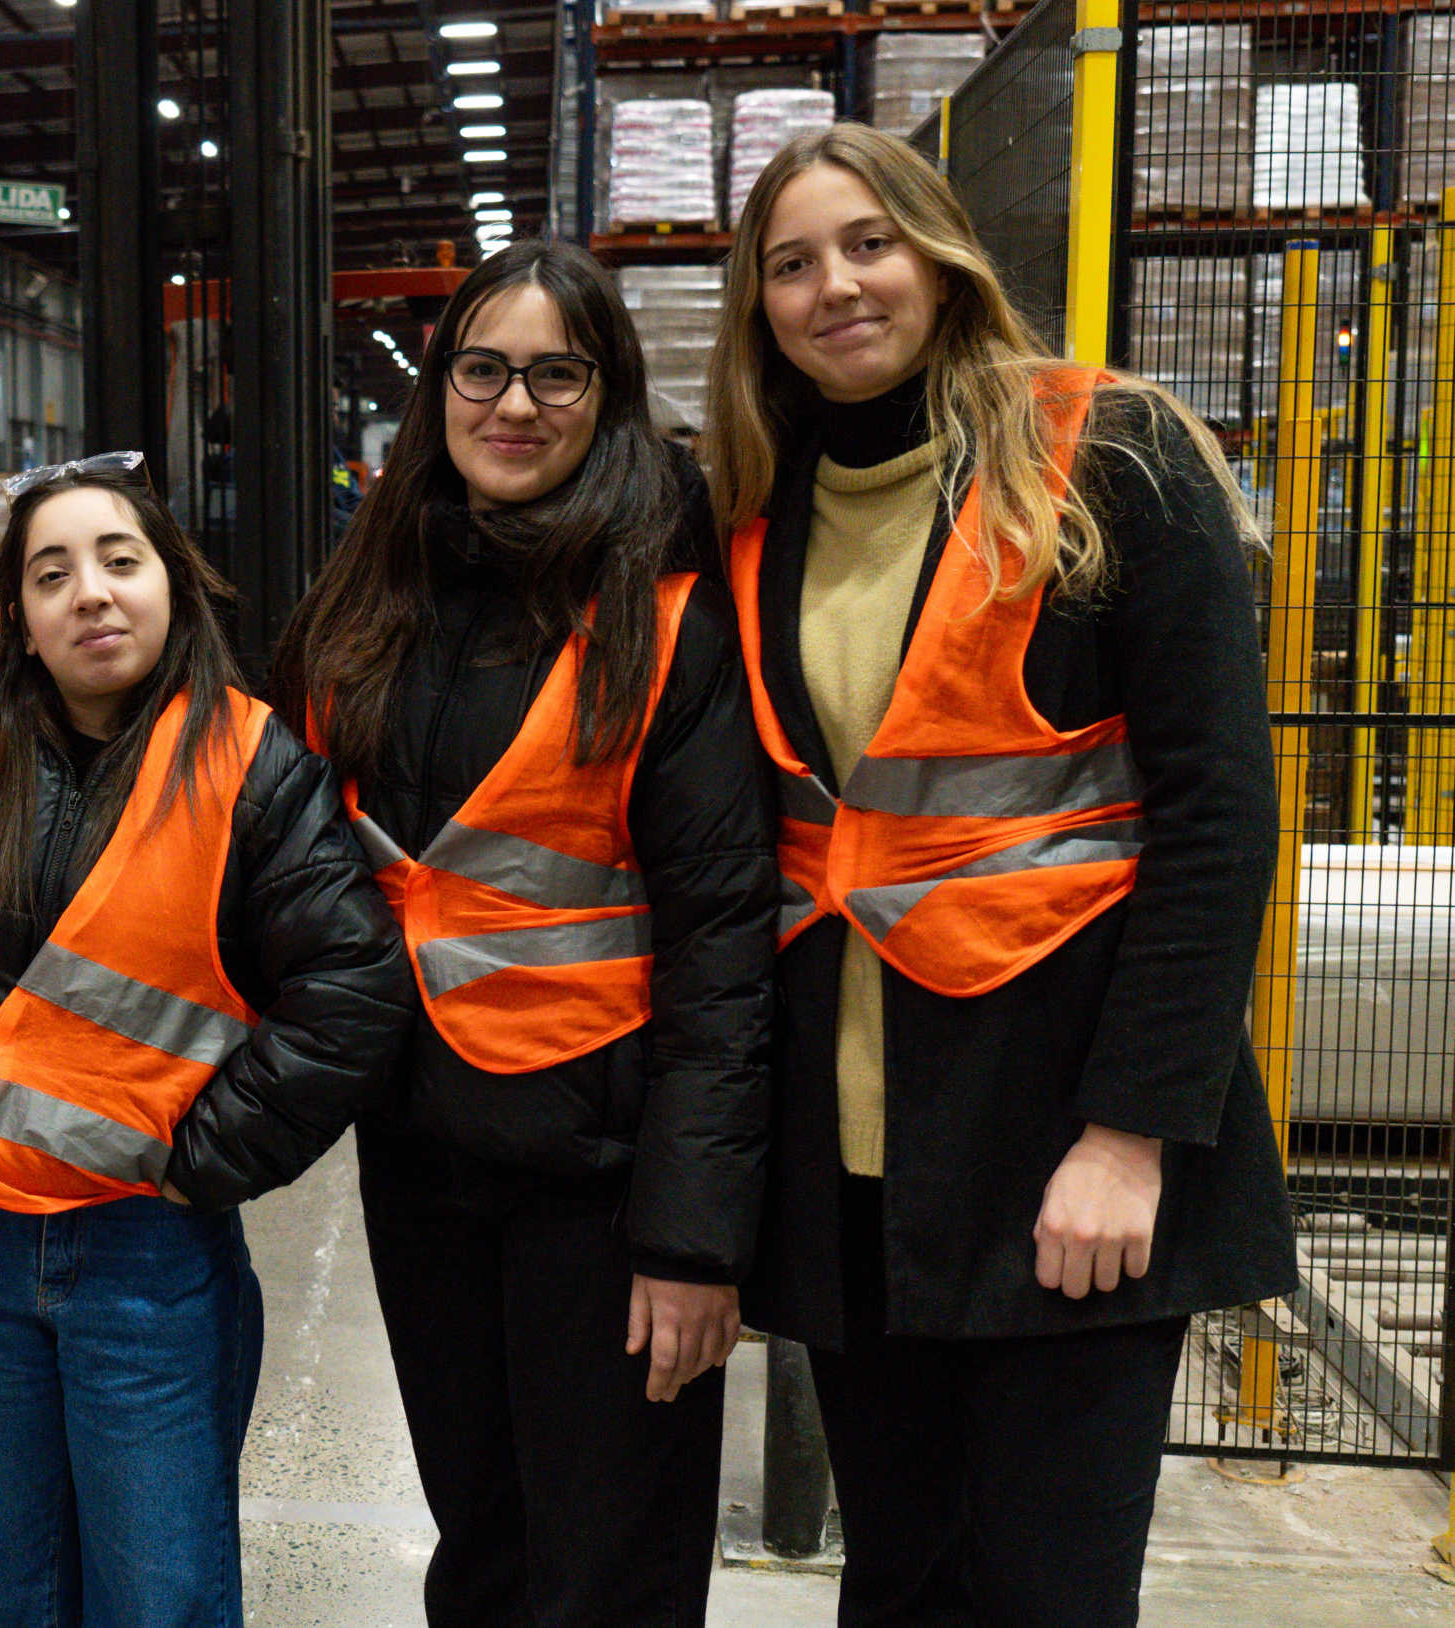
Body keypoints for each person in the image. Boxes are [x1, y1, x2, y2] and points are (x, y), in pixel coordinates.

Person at [699, 123, 1299, 1626]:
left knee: (1043, 1593)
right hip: (854, 1178)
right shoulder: (754, 523)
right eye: (790, 264)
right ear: (755, 305)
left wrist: (1131, 1137)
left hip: (1058, 1154)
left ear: (939, 251)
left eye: (867, 243)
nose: (834, 285)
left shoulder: (1109, 453)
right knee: (898, 1585)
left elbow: (1219, 821)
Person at [0, 455, 411, 1628]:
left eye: (121, 560)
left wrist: (203, 1158)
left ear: (174, 582)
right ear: (17, 615)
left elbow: (352, 983)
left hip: (147, 1254)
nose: (92, 594)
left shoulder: (249, 760)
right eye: (52, 573)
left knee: (159, 1592)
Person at [271, 238, 777, 1626]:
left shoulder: (665, 617)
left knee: (605, 1569)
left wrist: (693, 1242)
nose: (514, 405)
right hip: (422, 1163)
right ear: (438, 392)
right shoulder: (365, 608)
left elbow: (723, 947)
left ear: (607, 395)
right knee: (480, 1542)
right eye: (484, 370)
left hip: (600, 1188)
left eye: (558, 373)